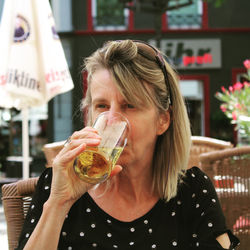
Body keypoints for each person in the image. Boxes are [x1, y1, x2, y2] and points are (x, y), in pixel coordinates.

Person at [16, 40, 239, 250]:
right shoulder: (58, 185)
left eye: (129, 105)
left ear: (163, 120)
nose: (112, 120)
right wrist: (58, 203)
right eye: (102, 106)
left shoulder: (192, 192)